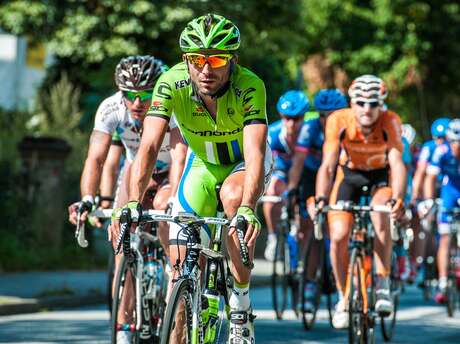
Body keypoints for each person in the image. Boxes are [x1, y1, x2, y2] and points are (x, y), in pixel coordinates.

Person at [114, 14, 272, 343]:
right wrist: (131, 202)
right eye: (196, 60)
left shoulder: (250, 85)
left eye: (215, 59)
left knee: (232, 198)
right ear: (186, 60)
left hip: (241, 163)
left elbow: (255, 151)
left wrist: (247, 207)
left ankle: (240, 305)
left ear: (233, 60)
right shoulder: (171, 83)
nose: (205, 69)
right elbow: (149, 147)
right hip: (202, 164)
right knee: (183, 265)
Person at [68, 55, 186, 344]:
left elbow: (181, 157)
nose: (137, 103)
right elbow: (96, 158)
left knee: (163, 214)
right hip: (137, 173)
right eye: (130, 95)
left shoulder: (171, 107)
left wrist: (175, 200)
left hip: (171, 171)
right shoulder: (110, 108)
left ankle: (174, 277)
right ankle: (123, 326)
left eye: (145, 94)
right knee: (122, 238)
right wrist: (88, 198)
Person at [308, 75, 406, 329]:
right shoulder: (338, 120)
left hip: (379, 177)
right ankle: (343, 297)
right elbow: (328, 165)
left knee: (380, 214)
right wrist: (320, 198)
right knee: (339, 235)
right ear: (352, 103)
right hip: (348, 176)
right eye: (360, 103)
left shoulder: (391, 120)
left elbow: (397, 164)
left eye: (373, 103)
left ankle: (382, 282)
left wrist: (398, 198)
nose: (366, 109)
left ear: (381, 104)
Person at [263, 88, 347, 312]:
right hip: (308, 177)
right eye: (322, 115)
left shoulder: (349, 127)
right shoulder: (308, 129)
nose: (327, 120)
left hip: (339, 176)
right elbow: (298, 162)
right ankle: (307, 280)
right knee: (308, 225)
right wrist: (291, 189)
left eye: (332, 114)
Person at [425, 119, 460, 303]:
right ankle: (444, 280)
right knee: (445, 238)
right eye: (455, 143)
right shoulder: (441, 151)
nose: (457, 148)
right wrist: (430, 201)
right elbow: (429, 178)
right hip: (449, 192)